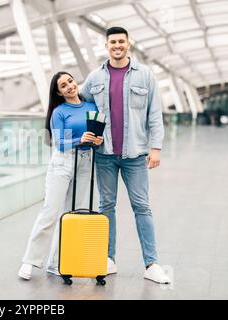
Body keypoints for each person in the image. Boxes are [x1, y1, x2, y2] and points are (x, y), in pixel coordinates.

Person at [77, 26, 171, 284]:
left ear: (128, 44)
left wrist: (156, 148)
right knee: (106, 206)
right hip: (104, 154)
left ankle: (151, 263)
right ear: (106, 46)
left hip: (135, 155)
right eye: (112, 42)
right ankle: (108, 259)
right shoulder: (95, 77)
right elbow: (79, 102)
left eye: (121, 41)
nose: (117, 45)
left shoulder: (145, 75)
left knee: (142, 207)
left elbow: (154, 114)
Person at [18, 71, 103, 280]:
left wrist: (96, 140)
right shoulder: (60, 112)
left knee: (71, 214)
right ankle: (30, 261)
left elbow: (98, 132)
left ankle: (56, 263)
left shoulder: (91, 107)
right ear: (59, 92)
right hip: (63, 163)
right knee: (50, 211)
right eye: (63, 86)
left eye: (71, 81)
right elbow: (60, 143)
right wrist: (80, 139)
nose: (70, 87)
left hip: (85, 162)